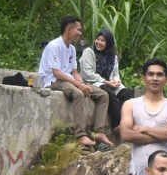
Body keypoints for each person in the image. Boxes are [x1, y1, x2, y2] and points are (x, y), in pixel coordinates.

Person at [38, 15, 114, 150]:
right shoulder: (54, 46)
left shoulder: (72, 49)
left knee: (103, 95)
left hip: (69, 80)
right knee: (78, 93)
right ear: (69, 29)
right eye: (78, 30)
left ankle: (99, 132)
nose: (80, 33)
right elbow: (57, 73)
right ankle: (80, 135)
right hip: (53, 80)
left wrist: (83, 83)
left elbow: (74, 72)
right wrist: (78, 85)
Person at [120, 58, 167, 175]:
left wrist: (144, 129)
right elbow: (126, 135)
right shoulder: (131, 104)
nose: (155, 78)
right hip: (138, 173)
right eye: (151, 74)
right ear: (144, 78)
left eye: (159, 75)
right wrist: (164, 133)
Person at [78, 28, 134, 132]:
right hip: (93, 82)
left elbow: (116, 73)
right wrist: (106, 82)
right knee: (108, 94)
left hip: (110, 82)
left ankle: (126, 121)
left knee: (127, 94)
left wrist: (116, 81)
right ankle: (118, 123)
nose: (99, 42)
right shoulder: (89, 52)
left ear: (108, 43)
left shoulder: (113, 56)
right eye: (97, 39)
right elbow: (87, 73)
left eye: (102, 41)